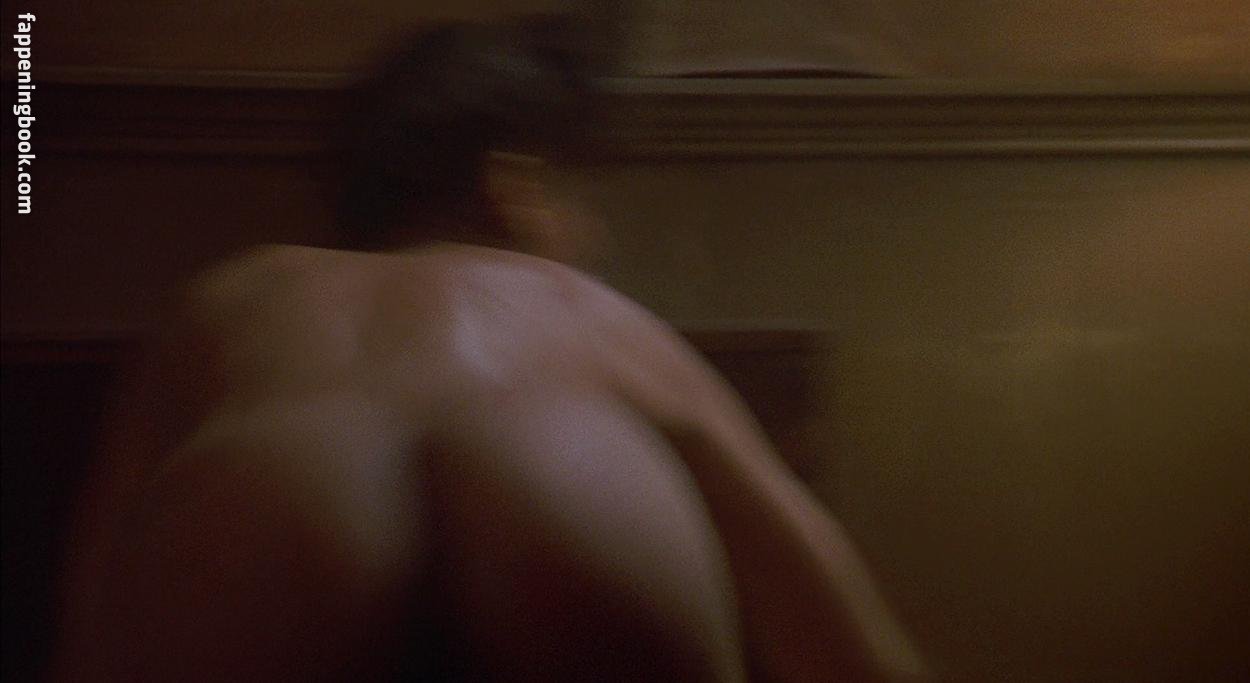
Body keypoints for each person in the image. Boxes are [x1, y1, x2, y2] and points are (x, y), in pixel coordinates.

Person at [52, 15, 925, 682]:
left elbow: (87, 618)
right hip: (562, 470)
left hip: (273, 493)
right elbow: (842, 642)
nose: (591, 236)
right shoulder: (585, 312)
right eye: (578, 200)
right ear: (513, 186)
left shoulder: (237, 294)